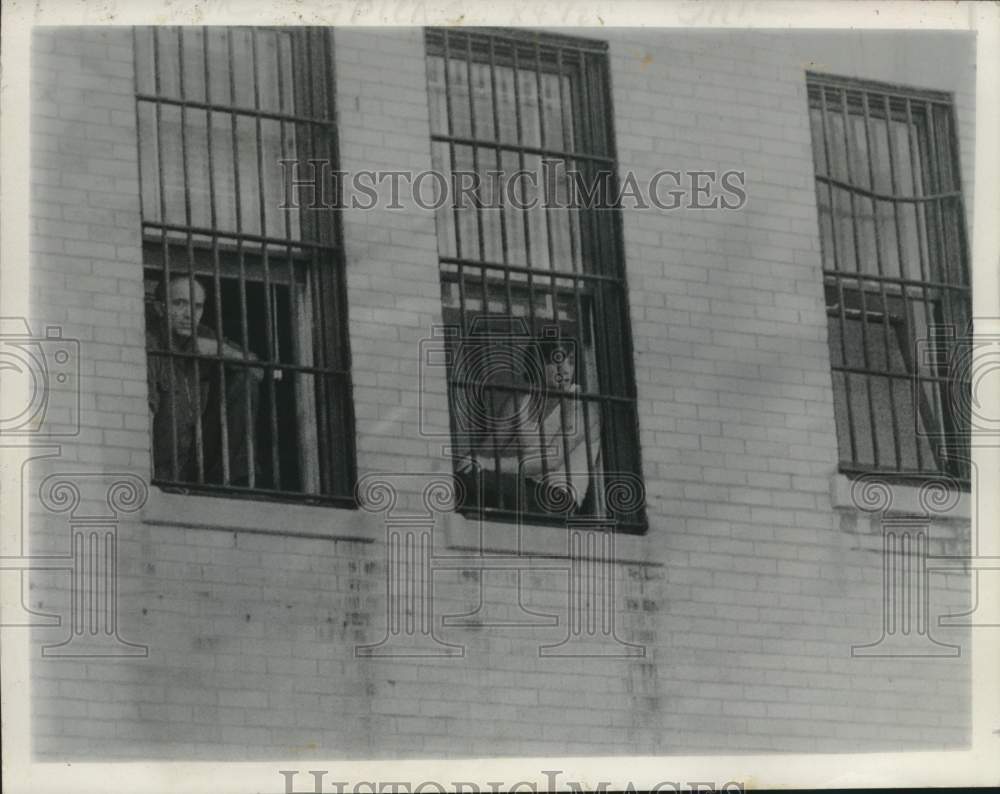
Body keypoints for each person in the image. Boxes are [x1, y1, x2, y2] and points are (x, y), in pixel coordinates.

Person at [459, 339, 602, 516]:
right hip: (526, 488)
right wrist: (472, 461)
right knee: (462, 478)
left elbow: (552, 460)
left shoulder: (582, 406)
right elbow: (487, 449)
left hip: (558, 497)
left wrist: (487, 464)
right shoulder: (521, 402)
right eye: (556, 361)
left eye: (571, 362)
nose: (565, 370)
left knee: (470, 483)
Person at [146, 273, 263, 486]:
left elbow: (258, 371)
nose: (189, 314)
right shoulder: (151, 343)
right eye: (179, 303)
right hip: (164, 463)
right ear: (160, 308)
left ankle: (232, 482)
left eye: (197, 307)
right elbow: (145, 414)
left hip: (198, 457)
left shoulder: (204, 335)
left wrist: (219, 350)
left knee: (244, 379)